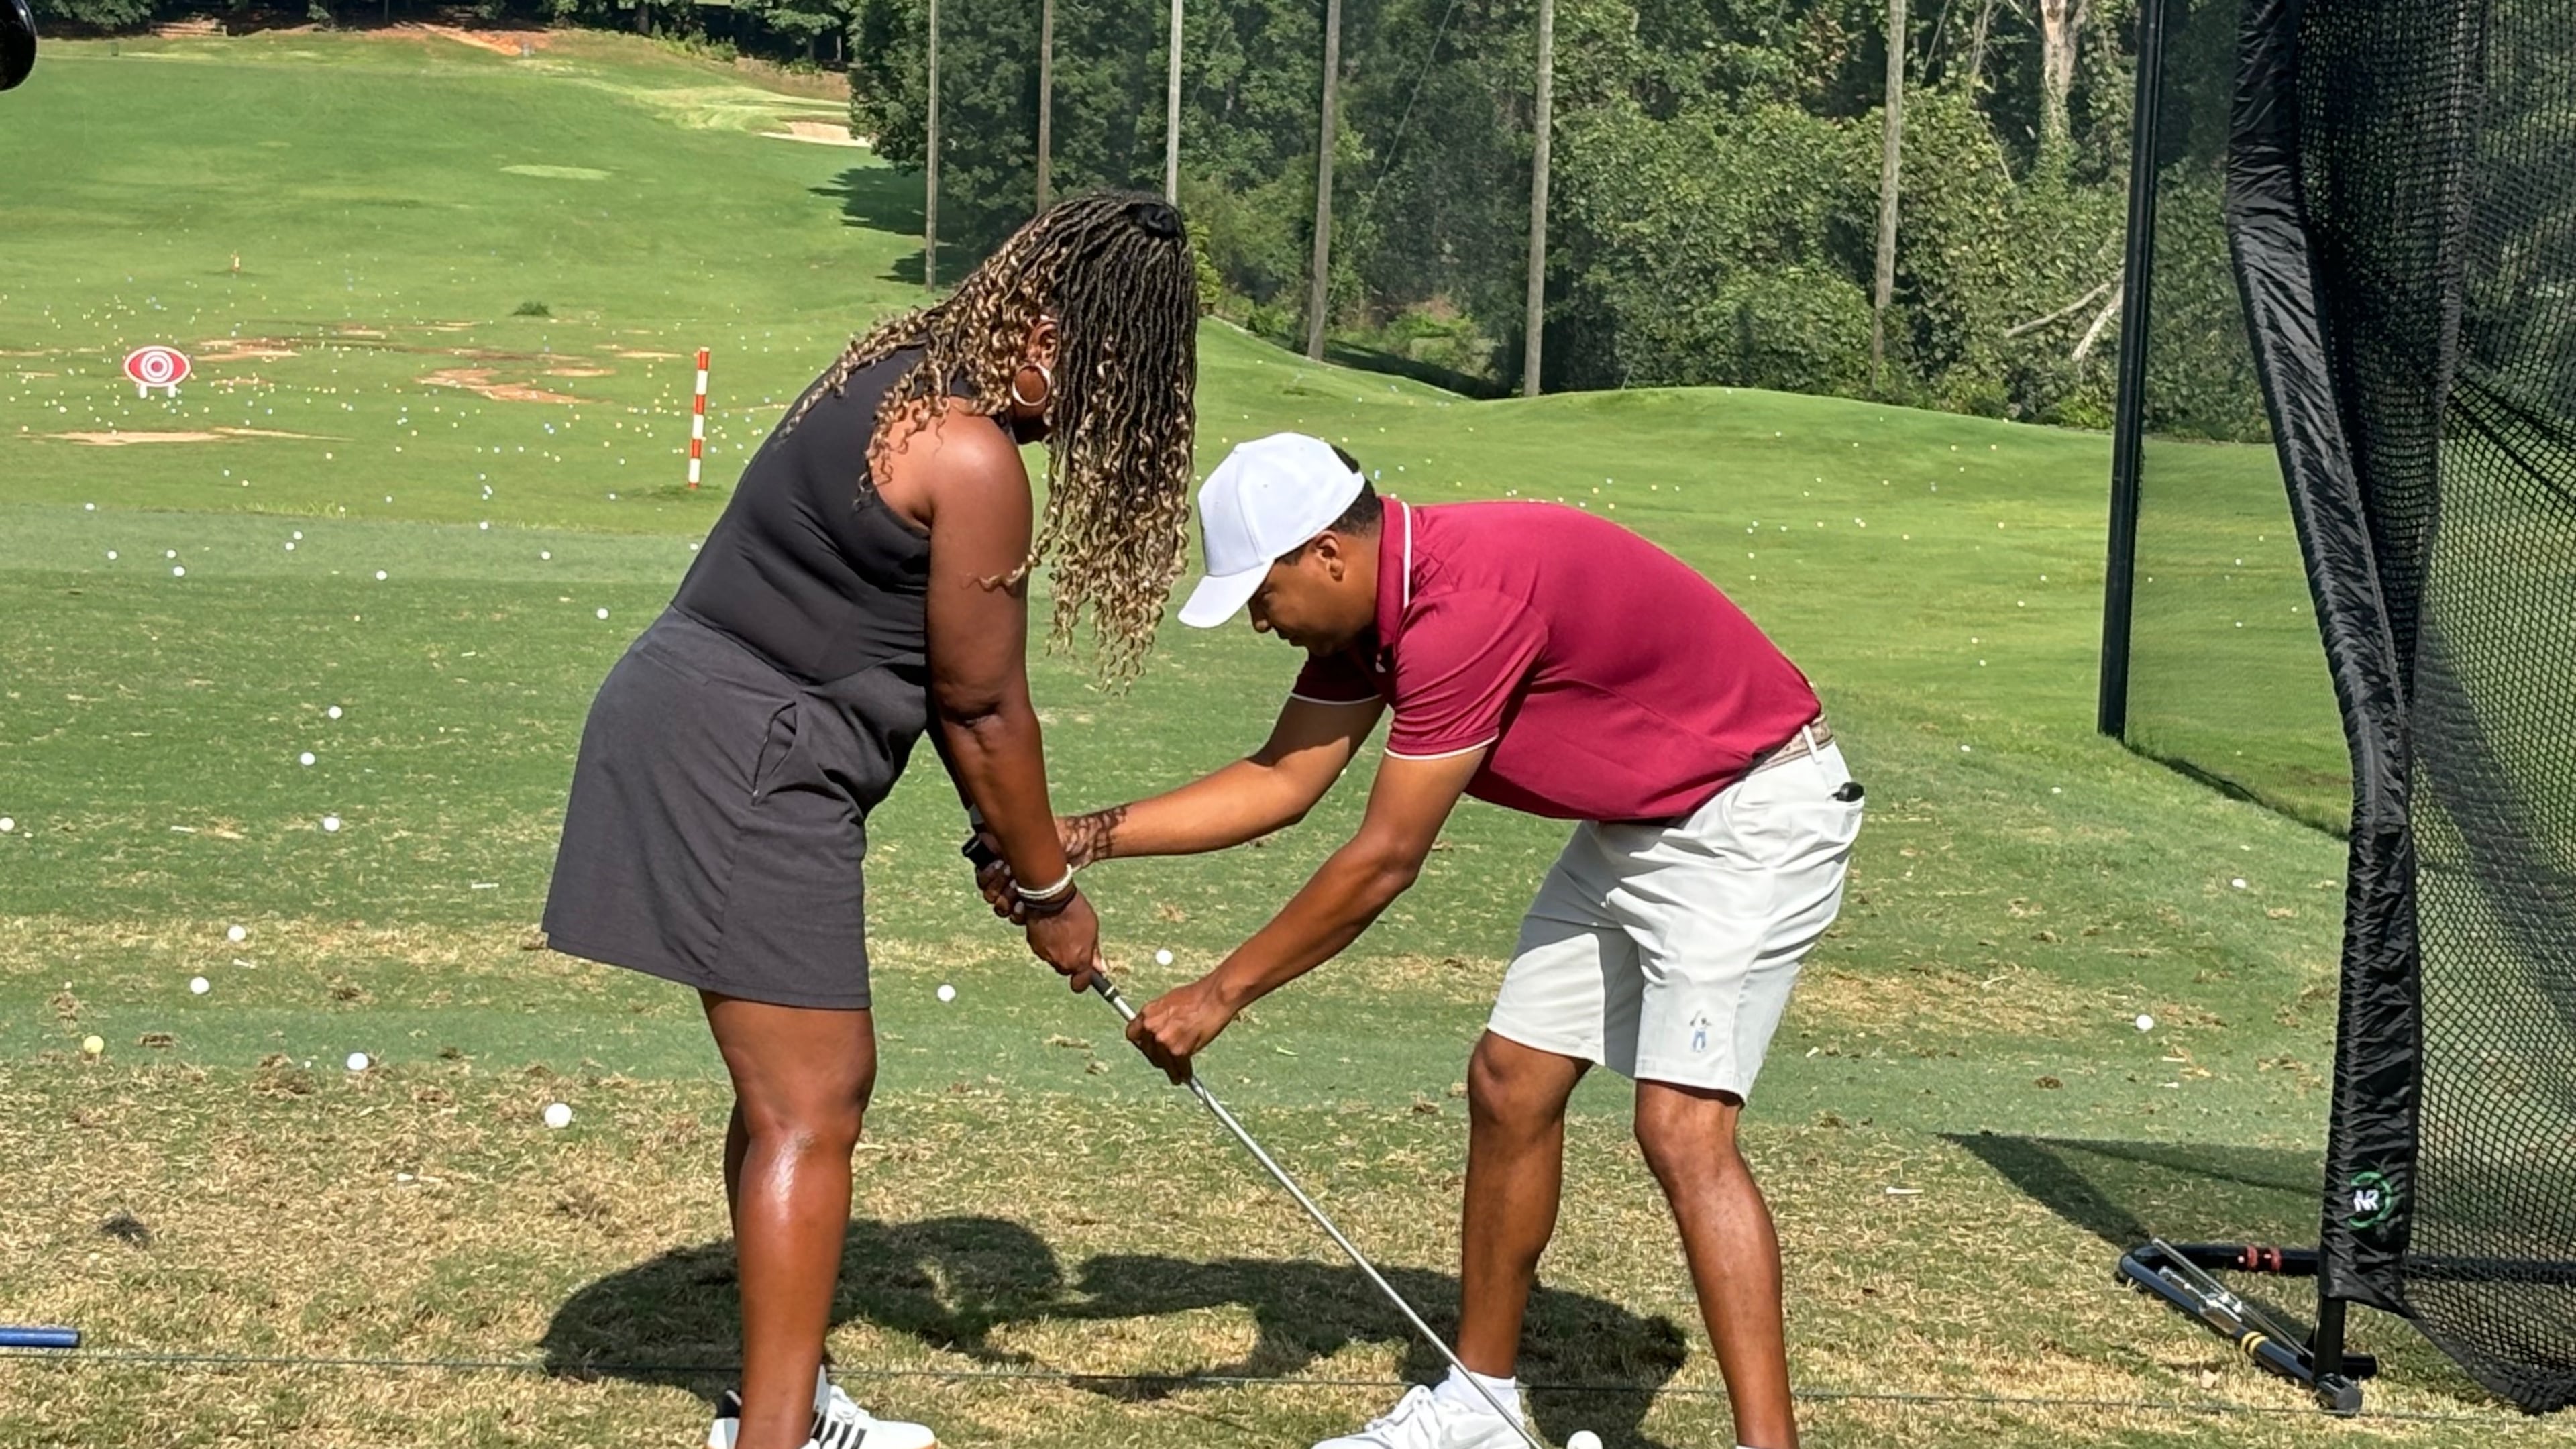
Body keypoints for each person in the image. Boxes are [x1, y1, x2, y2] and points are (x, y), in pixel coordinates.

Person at [989, 433, 1861, 1449]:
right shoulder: (1371, 616)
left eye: (1261, 592)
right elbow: (1282, 782)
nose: (1259, 619)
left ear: (1326, 553)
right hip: (1638, 822)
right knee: (1510, 1083)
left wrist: (1217, 997)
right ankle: (1477, 1406)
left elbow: (1385, 859)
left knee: (1680, 1129)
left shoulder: (1463, 610)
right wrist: (1074, 843)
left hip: (1753, 811)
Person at [541, 191, 1201, 1449]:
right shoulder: (972, 454)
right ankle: (775, 1435)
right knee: (816, 1100)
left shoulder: (893, 367)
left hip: (699, 715)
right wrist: (1054, 893)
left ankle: (776, 1399)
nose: (1096, 418)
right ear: (1054, 335)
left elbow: (937, 690)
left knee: (789, 1087)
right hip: (747, 757)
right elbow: (986, 708)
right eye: (1108, 379)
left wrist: (1008, 843)